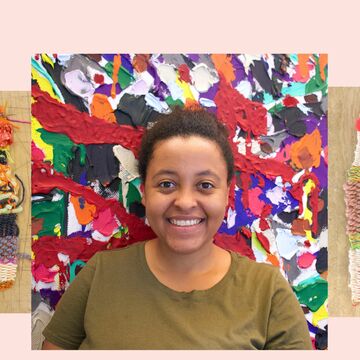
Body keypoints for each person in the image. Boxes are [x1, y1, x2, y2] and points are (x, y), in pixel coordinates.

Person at [42, 107, 312, 350]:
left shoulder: (267, 291)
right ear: (145, 192)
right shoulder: (99, 275)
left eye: (205, 185)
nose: (184, 202)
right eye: (166, 184)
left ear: (227, 195)